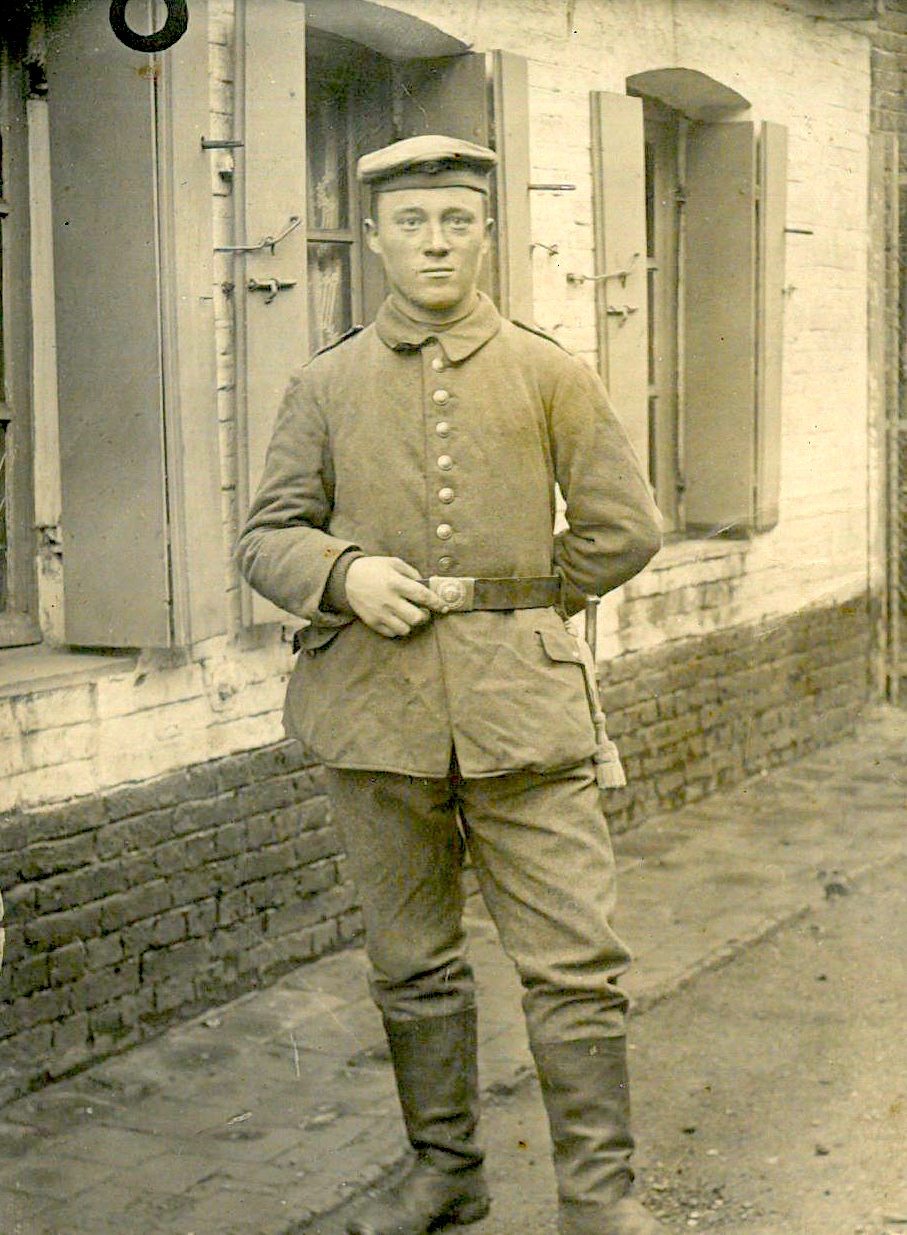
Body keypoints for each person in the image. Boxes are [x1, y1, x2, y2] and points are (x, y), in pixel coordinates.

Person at [236, 134, 665, 1235]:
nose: (435, 242)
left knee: (574, 963)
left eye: (456, 222)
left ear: (485, 235)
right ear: (374, 238)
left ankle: (599, 1200)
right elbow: (266, 537)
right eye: (412, 223)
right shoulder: (324, 382)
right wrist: (344, 574)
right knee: (411, 961)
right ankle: (445, 1173)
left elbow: (623, 527)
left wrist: (523, 601)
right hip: (373, 716)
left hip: (527, 715)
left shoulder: (549, 371)